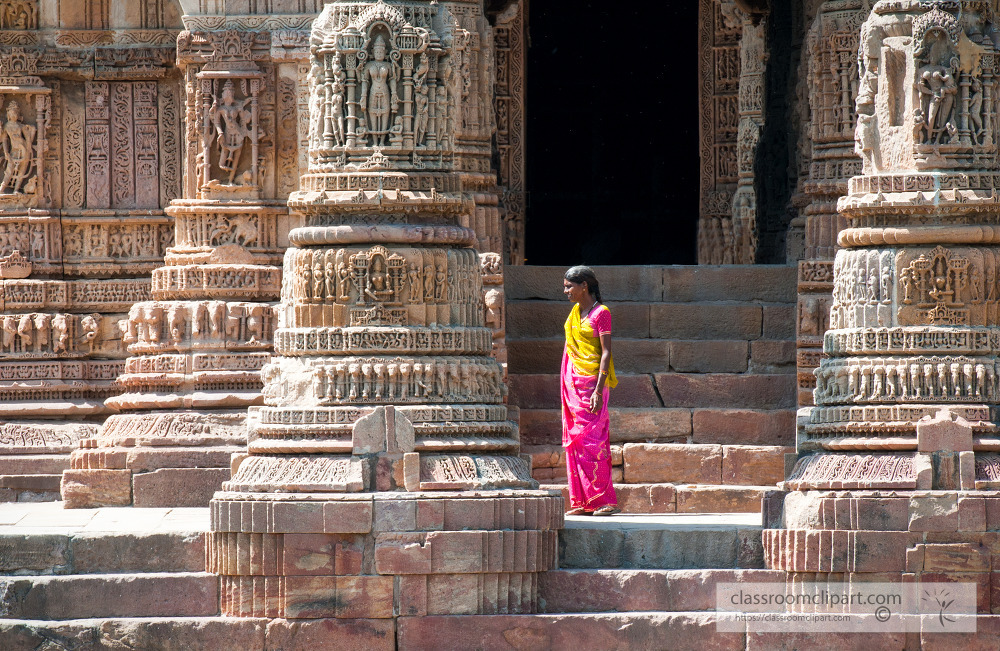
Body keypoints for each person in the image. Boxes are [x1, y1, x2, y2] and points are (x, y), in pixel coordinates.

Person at [561, 266, 619, 516]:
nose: (565, 291)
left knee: (593, 441)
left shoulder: (601, 313)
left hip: (592, 384)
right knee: (576, 444)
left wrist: (597, 390)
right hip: (573, 384)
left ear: (584, 285)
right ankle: (583, 501)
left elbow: (606, 352)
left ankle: (604, 500)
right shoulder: (576, 312)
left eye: (569, 286)